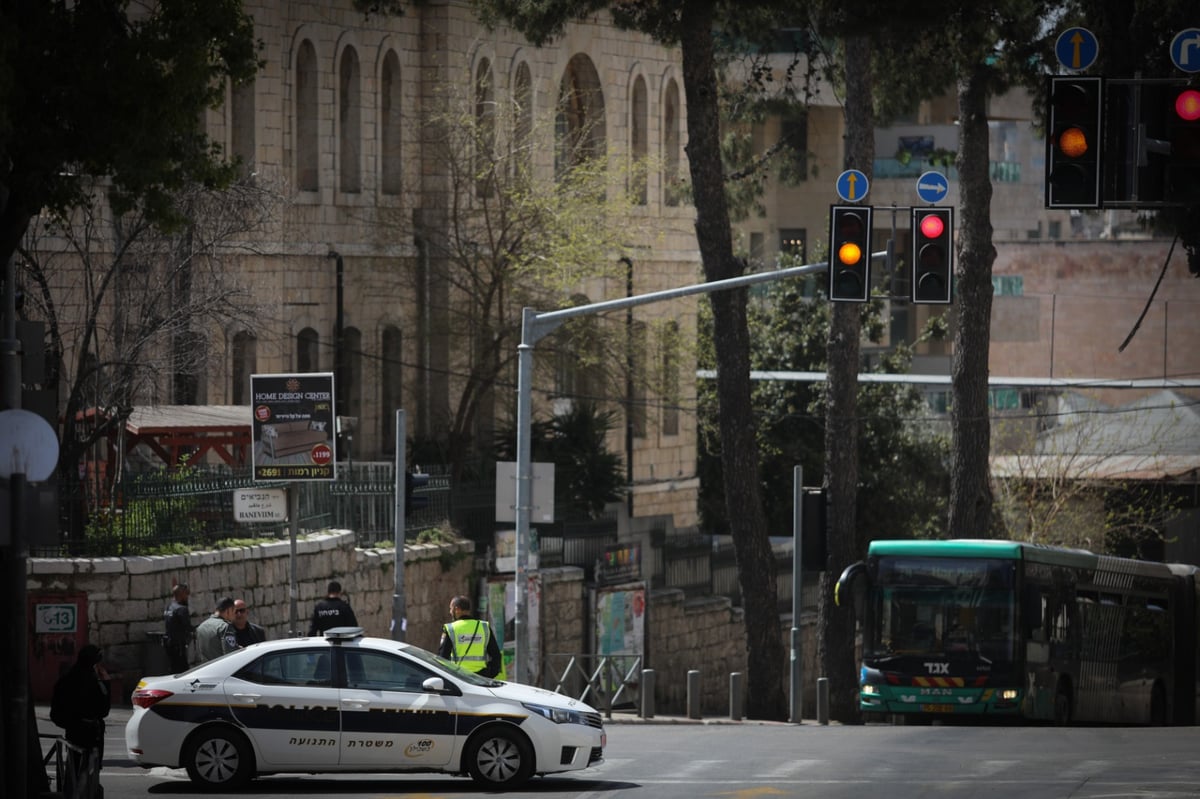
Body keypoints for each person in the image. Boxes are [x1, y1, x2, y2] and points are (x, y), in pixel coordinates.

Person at [51, 644, 111, 797]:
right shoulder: (94, 683)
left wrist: (72, 723)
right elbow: (103, 710)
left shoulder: (66, 680)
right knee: (89, 775)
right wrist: (106, 684)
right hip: (91, 736)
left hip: (73, 735)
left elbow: (55, 714)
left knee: (73, 772)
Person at [438, 595, 504, 679]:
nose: (450, 612)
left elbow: (442, 658)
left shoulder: (451, 629)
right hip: (481, 678)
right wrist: (489, 674)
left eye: (451, 609)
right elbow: (496, 655)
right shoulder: (484, 627)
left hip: (459, 677)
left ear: (457, 609)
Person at [162, 583, 193, 672]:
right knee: (182, 669)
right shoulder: (181, 609)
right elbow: (187, 627)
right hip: (178, 645)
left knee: (172, 667)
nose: (187, 596)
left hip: (168, 644)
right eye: (186, 593)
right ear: (182, 594)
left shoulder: (169, 607)